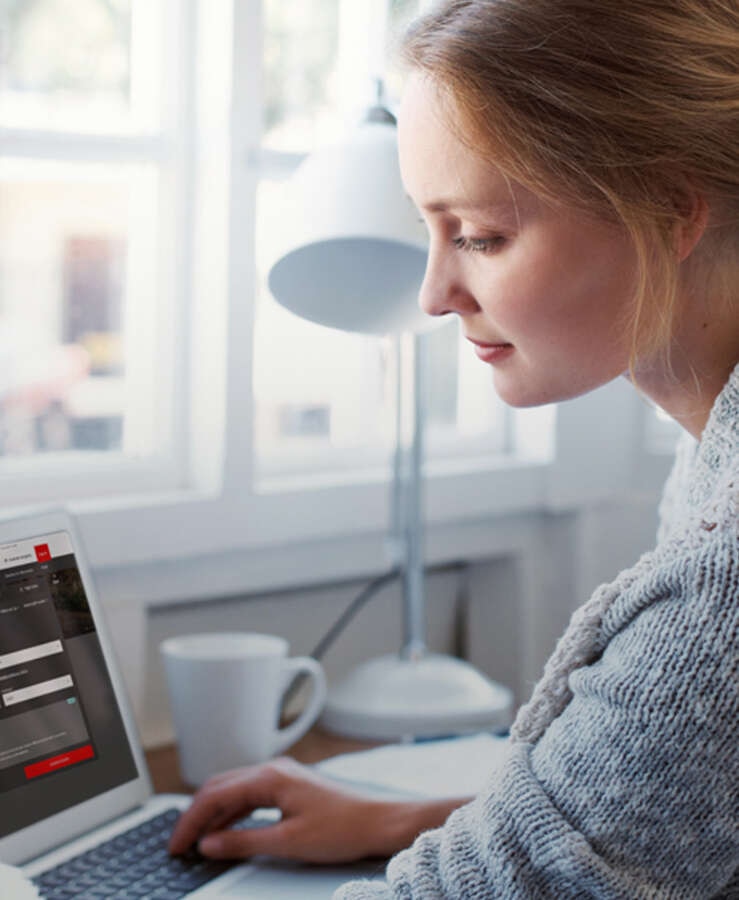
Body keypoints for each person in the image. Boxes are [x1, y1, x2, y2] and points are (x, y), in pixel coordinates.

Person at [169, 0, 739, 895]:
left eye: (478, 234)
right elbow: (677, 811)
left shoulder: (723, 575)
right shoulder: (708, 456)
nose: (433, 293)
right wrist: (401, 820)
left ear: (669, 210)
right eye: (428, 229)